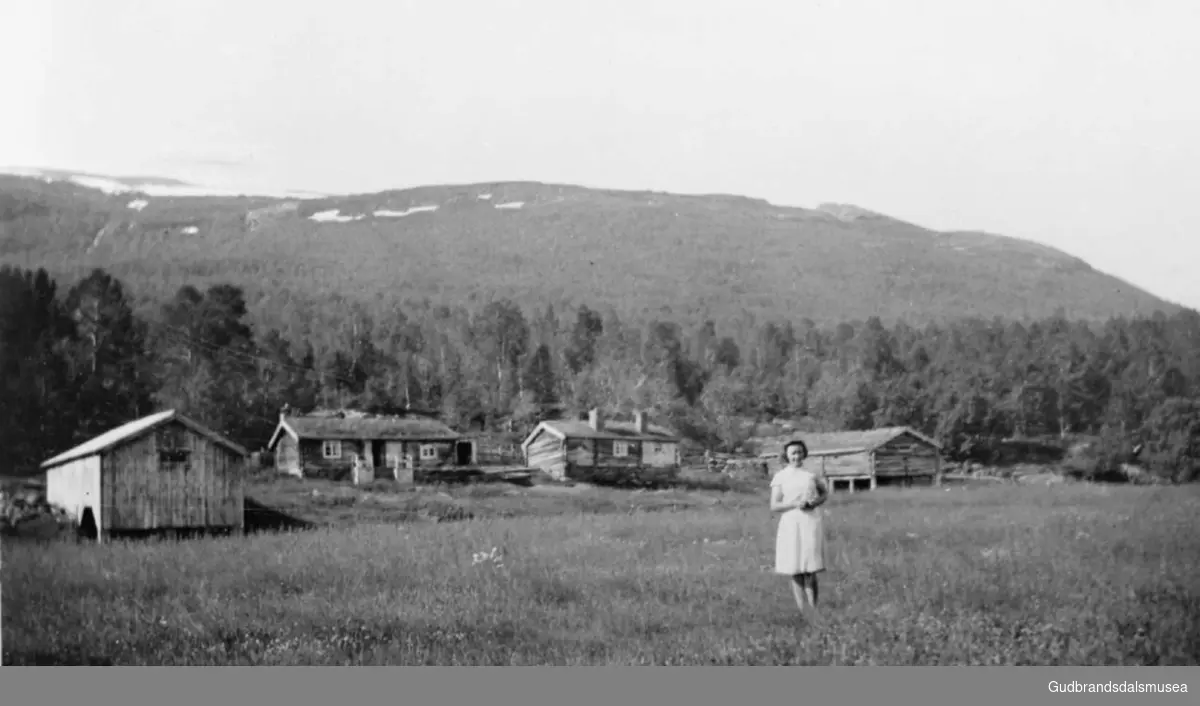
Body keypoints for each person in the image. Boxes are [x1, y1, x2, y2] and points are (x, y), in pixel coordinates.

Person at [769, 438, 829, 618]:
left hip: (810, 521)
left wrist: (814, 502)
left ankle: (813, 607)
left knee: (810, 567)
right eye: (793, 453)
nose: (797, 456)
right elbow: (774, 505)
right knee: (794, 567)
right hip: (791, 522)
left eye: (800, 452)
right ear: (787, 455)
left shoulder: (810, 474)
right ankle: (802, 609)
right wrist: (794, 503)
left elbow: (824, 493)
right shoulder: (781, 476)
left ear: (805, 454)